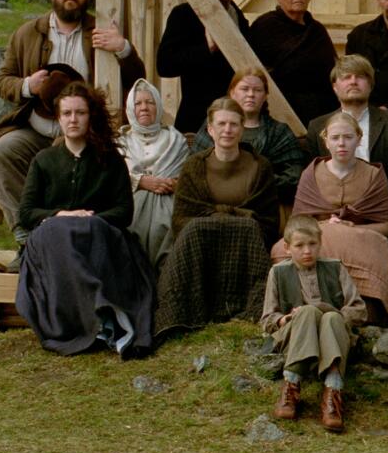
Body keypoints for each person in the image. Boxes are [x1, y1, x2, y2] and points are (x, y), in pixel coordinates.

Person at [0, 0, 144, 235]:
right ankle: (26, 236)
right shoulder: (26, 33)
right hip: (35, 129)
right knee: (4, 149)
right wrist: (27, 86)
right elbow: (2, 80)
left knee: (64, 153)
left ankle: (65, 234)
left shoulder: (100, 30)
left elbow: (138, 77)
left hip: (82, 134)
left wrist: (124, 48)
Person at [15, 81, 155, 357]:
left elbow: (124, 212)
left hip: (98, 237)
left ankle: (104, 315)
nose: (73, 119)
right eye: (67, 114)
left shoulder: (110, 160)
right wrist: (61, 215)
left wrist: (89, 219)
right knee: (57, 231)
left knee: (80, 230)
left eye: (79, 113)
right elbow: (27, 213)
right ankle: (90, 318)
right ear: (58, 118)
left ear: (90, 116)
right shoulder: (44, 160)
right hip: (53, 239)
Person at [154, 98, 278, 337]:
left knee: (248, 229)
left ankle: (250, 307)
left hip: (246, 246)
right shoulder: (193, 166)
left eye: (233, 124)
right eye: (221, 124)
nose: (227, 130)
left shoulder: (260, 166)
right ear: (210, 129)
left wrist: (224, 218)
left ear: (242, 128)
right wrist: (234, 216)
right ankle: (186, 311)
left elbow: (268, 220)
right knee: (197, 229)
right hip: (203, 244)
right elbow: (181, 218)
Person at [279, 111, 388, 323]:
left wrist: (351, 229)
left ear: (359, 139)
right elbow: (298, 223)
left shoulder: (373, 174)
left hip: (361, 240)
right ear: (325, 140)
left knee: (371, 248)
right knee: (281, 249)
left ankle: (364, 314)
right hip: (317, 236)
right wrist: (326, 226)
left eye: (348, 137)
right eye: (335, 138)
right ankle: (301, 310)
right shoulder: (312, 172)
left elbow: (386, 226)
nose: (341, 143)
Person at [262, 216, 369, 432]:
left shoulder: (335, 268)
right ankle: (291, 385)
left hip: (333, 333)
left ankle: (332, 392)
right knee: (308, 312)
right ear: (287, 247)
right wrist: (286, 318)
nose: (307, 251)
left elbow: (358, 310)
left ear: (320, 243)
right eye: (299, 245)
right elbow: (267, 320)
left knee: (329, 317)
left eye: (312, 244)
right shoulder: (278, 272)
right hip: (296, 333)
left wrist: (332, 314)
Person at [307, 55, 388, 222]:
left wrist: (386, 205)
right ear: (335, 87)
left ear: (371, 85)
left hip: (382, 212)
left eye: (360, 76)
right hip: (331, 215)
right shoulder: (317, 126)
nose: (353, 81)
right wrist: (329, 214)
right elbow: (310, 177)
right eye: (346, 77)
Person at [156, 0, 252, 134]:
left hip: (232, 124)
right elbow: (164, 65)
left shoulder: (240, 20)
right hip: (196, 120)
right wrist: (206, 48)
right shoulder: (185, 14)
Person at [191, 67, 306, 206]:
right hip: (214, 202)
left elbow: (295, 176)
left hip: (264, 203)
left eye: (257, 90)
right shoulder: (215, 126)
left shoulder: (279, 132)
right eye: (244, 89)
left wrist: (256, 182)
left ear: (265, 96)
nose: (251, 94)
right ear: (232, 93)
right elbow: (194, 168)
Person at [249, 0, 338, 125]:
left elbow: (332, 71)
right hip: (280, 113)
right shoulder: (264, 26)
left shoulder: (317, 30)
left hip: (320, 112)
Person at [119, 78, 189, 270]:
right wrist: (141, 181)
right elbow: (116, 176)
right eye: (138, 103)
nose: (144, 107)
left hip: (169, 198)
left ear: (158, 106)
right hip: (130, 199)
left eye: (150, 102)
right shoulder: (121, 141)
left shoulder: (175, 139)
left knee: (170, 224)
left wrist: (169, 184)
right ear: (130, 109)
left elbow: (183, 175)